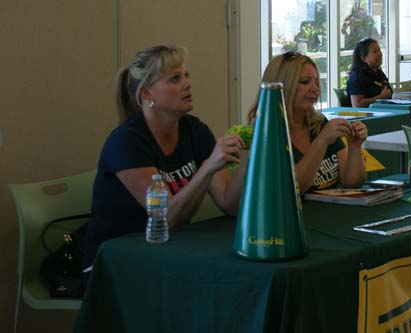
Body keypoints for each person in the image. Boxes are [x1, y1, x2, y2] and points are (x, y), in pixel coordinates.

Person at [83, 46, 247, 273]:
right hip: (115, 262)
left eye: (186, 76)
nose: (187, 84)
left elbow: (230, 205)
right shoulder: (127, 142)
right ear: (147, 94)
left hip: (165, 251)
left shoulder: (195, 130)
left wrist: (251, 156)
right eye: (175, 79)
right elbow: (166, 219)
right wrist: (208, 167)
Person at [250, 51, 367, 192]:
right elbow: (288, 189)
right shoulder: (266, 132)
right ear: (283, 85)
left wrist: (354, 146)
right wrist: (321, 141)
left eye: (317, 82)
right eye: (305, 82)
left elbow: (352, 183)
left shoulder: (318, 124)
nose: (315, 89)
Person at [346, 38, 393, 107]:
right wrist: (380, 97)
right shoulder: (357, 76)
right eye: (375, 51)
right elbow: (357, 105)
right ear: (364, 58)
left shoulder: (378, 72)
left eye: (379, 50)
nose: (380, 54)